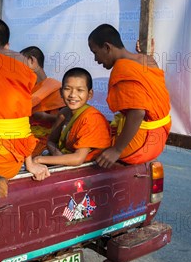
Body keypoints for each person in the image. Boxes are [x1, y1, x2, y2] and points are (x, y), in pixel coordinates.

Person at [88, 24, 171, 168]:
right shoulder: (147, 60)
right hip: (160, 137)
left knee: (86, 147)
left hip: (141, 144)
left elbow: (138, 113)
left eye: (95, 52)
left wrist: (116, 150)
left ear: (107, 47)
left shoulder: (122, 69)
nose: (96, 59)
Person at [0, 17, 50, 181]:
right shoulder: (22, 70)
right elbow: (22, 121)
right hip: (12, 163)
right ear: (7, 47)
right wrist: (30, 164)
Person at [34, 67, 111, 166]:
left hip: (86, 168)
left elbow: (78, 159)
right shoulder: (64, 113)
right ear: (61, 92)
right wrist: (56, 154)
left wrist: (38, 160)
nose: (73, 95)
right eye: (67, 89)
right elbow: (51, 141)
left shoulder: (92, 119)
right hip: (63, 158)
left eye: (79, 90)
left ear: (90, 94)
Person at [20, 46, 66, 153]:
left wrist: (45, 117)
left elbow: (68, 121)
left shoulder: (57, 88)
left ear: (32, 60)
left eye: (21, 64)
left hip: (49, 141)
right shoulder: (25, 90)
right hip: (25, 139)